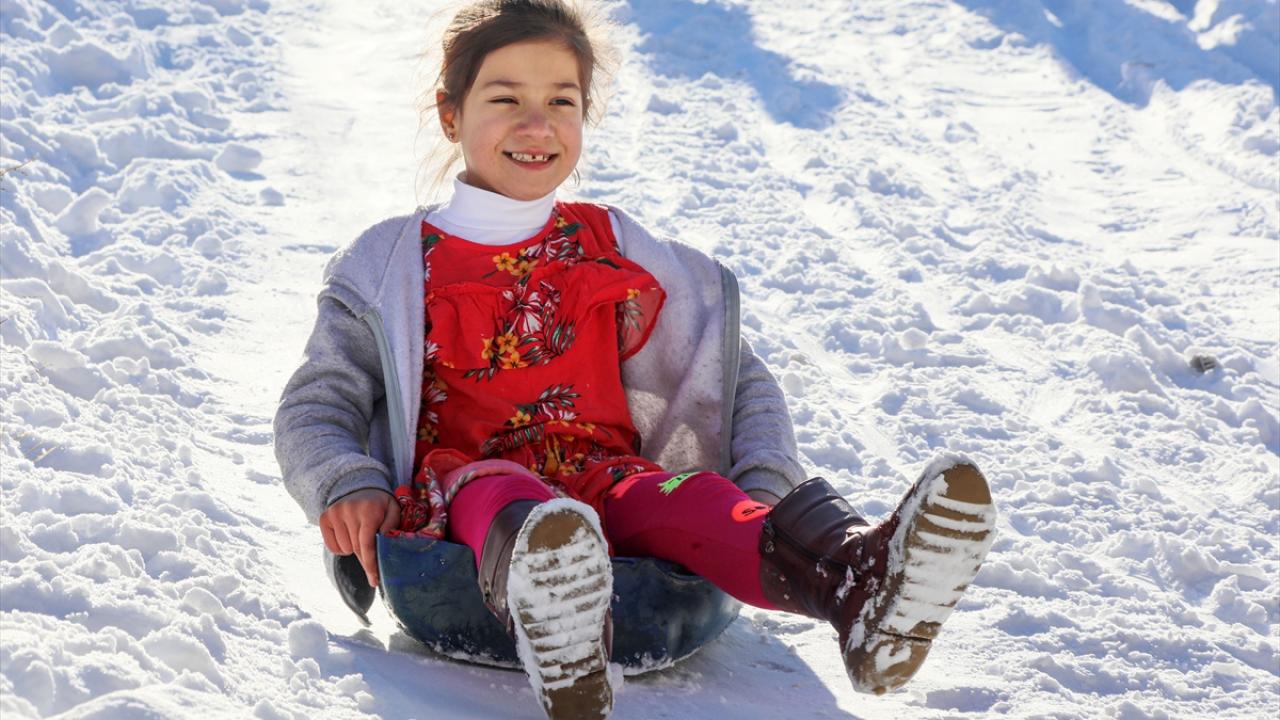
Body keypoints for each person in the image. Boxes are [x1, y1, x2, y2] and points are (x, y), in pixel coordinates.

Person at [273, 1, 996, 718]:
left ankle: (855, 583)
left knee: (692, 498)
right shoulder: (390, 263)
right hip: (467, 499)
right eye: (506, 99)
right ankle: (555, 610)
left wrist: (764, 480)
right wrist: (345, 481)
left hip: (607, 478)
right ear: (450, 115)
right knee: (507, 497)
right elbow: (318, 403)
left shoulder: (615, 248)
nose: (537, 124)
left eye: (562, 100)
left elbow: (736, 378)